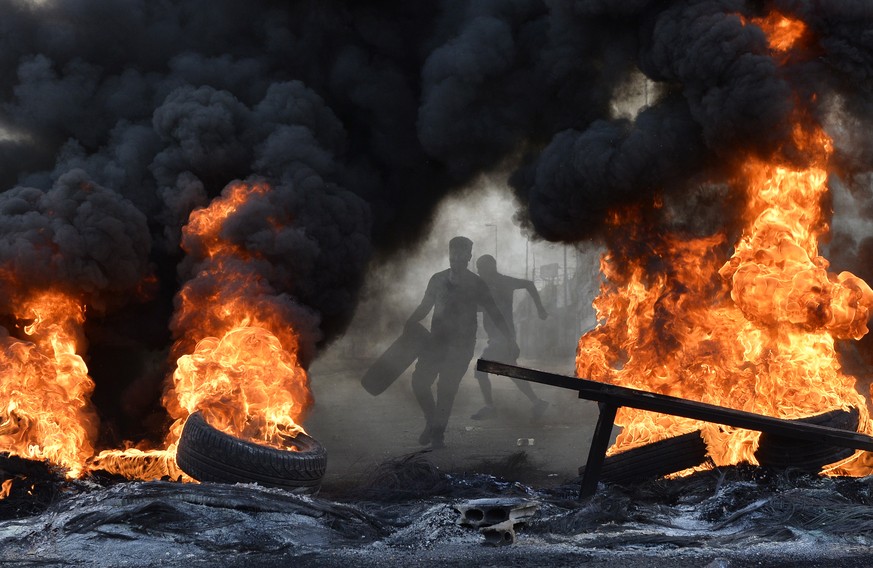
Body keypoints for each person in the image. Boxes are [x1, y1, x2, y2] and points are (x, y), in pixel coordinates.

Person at [406, 236, 518, 449]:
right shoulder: (437, 279)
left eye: (461, 253)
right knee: (419, 382)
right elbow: (424, 306)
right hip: (436, 342)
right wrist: (409, 323)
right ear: (449, 254)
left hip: (462, 345)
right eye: (453, 253)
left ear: (468, 256)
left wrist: (510, 338)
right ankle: (431, 420)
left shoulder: (477, 284)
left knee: (446, 389)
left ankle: (438, 435)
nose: (456, 257)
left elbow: (494, 313)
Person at [471, 254, 549, 421]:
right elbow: (482, 307)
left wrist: (540, 308)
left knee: (480, 370)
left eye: (481, 268)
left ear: (490, 267)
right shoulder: (485, 286)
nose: (479, 272)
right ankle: (537, 402)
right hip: (497, 337)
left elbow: (529, 284)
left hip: (503, 336)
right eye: (478, 269)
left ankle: (490, 407)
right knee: (511, 371)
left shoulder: (504, 282)